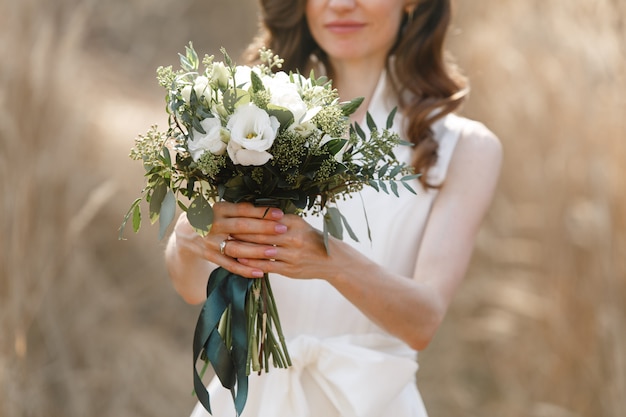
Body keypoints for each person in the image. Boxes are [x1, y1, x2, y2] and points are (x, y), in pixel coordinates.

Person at [165, 0, 502, 416]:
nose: (341, 4)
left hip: (370, 403)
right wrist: (187, 238)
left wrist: (329, 260)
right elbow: (193, 288)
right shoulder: (248, 115)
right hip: (248, 403)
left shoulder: (465, 147)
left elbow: (423, 321)